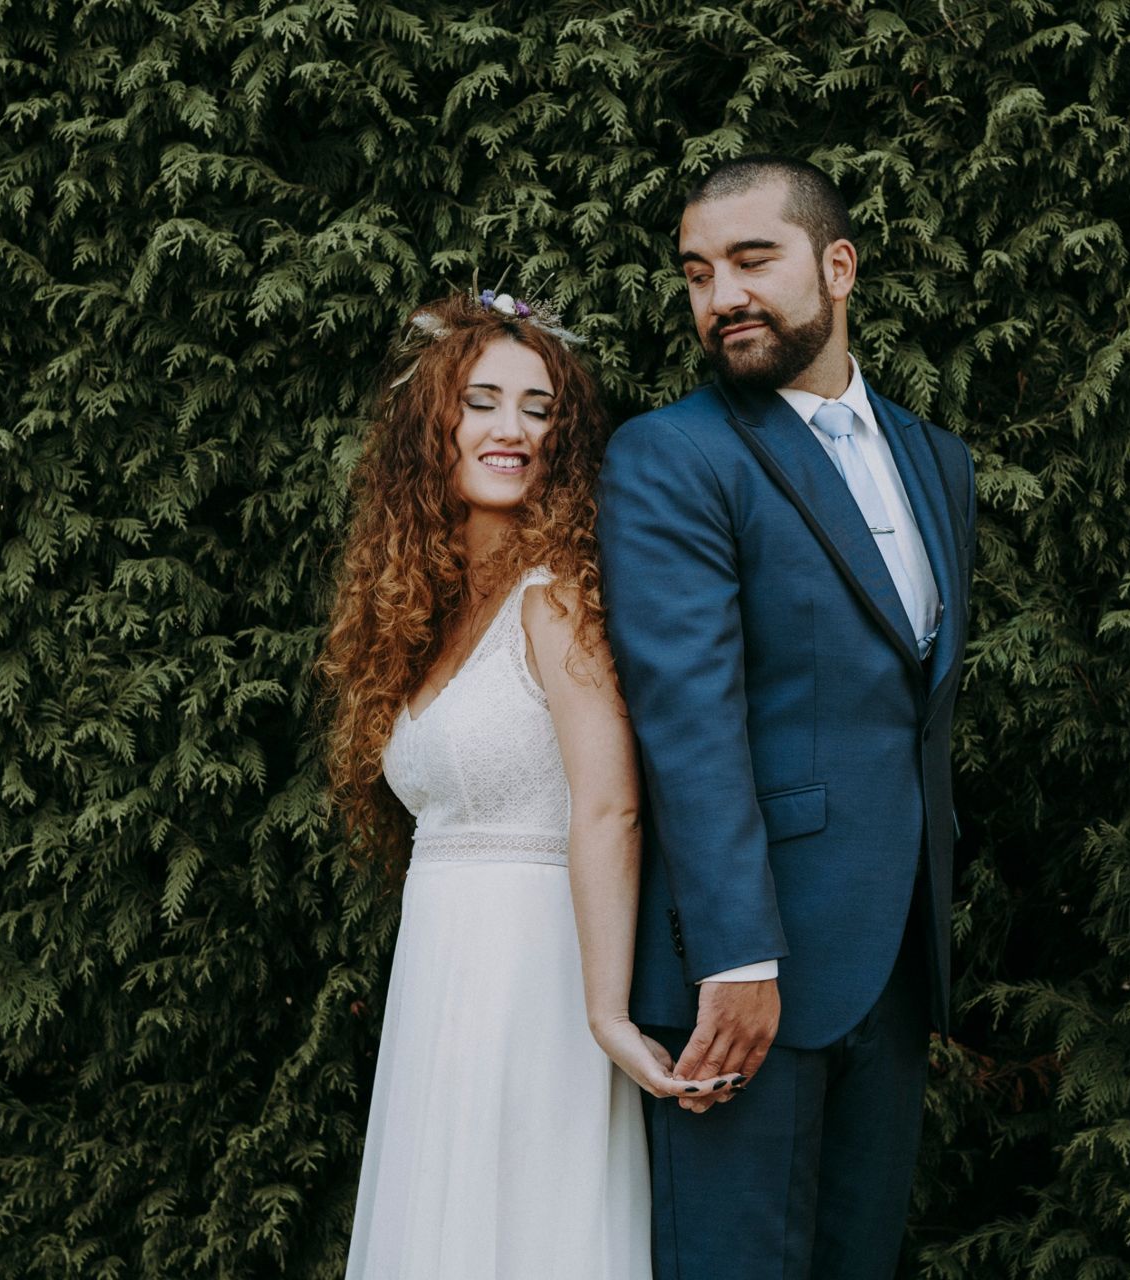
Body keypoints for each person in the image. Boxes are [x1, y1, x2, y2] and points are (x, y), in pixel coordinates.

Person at [597, 156, 979, 1278]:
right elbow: (689, 717)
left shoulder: (937, 460)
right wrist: (737, 952)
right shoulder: (672, 455)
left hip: (899, 960)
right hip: (741, 982)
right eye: (698, 272)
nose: (724, 296)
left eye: (753, 259)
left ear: (839, 264)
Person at [318, 291, 718, 1279]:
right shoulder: (425, 615)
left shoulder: (556, 594)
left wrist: (606, 1012)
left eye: (538, 408)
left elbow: (610, 801)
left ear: (563, 436)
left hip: (542, 975)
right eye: (483, 400)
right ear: (432, 427)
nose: (511, 429)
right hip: (440, 976)